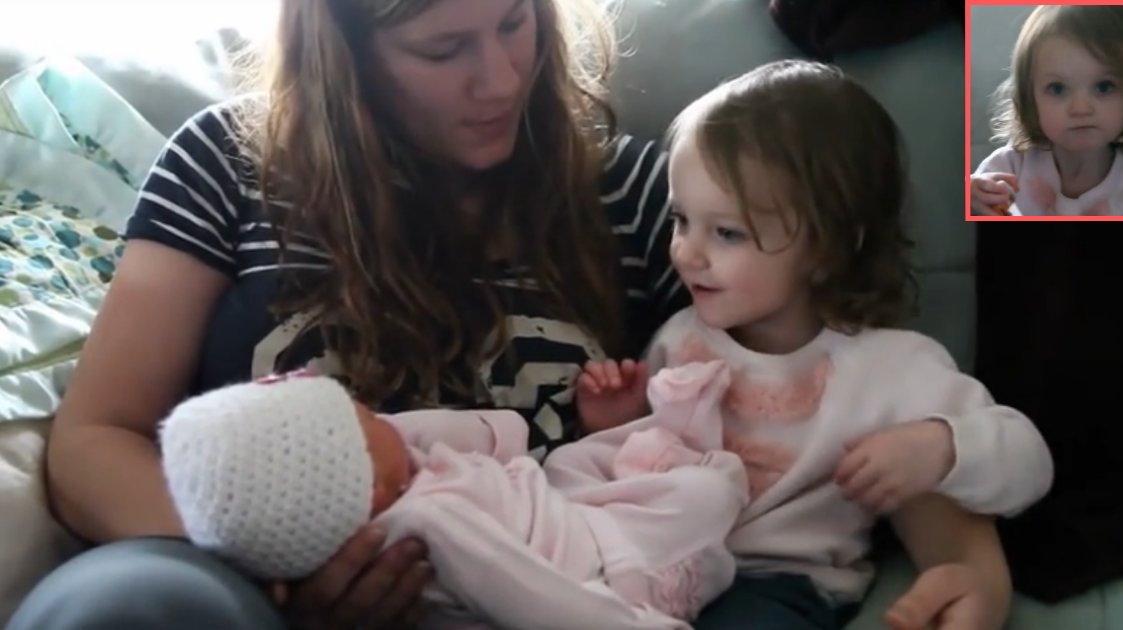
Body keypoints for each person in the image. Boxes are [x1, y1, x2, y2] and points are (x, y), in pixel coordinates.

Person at [12, 1, 1017, 629]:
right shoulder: (225, 164)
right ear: (344, 51)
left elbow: (814, 386)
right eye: (445, 47)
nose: (499, 79)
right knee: (127, 609)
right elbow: (94, 437)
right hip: (234, 584)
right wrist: (275, 573)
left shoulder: (631, 190)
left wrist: (963, 560)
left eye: (514, 25)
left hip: (557, 585)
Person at [575, 59, 1055, 630]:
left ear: (829, 247)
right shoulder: (679, 339)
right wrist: (615, 423)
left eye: (726, 232)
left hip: (777, 584)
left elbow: (1030, 463)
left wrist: (940, 448)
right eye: (682, 220)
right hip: (657, 561)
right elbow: (643, 467)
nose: (687, 253)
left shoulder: (893, 367)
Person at [158, 364, 748, 628]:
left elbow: (462, 434)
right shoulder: (430, 523)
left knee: (573, 459)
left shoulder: (385, 475)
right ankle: (690, 432)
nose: (375, 412)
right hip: (600, 571)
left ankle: (663, 442)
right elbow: (534, 598)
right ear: (371, 487)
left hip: (555, 503)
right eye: (360, 414)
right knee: (706, 490)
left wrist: (503, 437)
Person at [971, 5, 1123, 216]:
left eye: (1104, 87)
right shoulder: (1009, 166)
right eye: (1057, 89)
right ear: (1030, 99)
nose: (1080, 109)